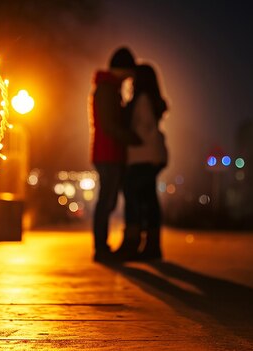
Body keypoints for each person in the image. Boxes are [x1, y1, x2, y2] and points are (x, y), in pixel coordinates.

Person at [89, 47, 141, 262]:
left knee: (107, 201)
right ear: (122, 70)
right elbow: (109, 125)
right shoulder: (107, 90)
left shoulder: (109, 88)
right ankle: (100, 248)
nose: (130, 78)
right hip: (108, 153)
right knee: (106, 201)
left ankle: (102, 247)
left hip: (109, 153)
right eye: (129, 72)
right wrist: (134, 138)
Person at [115, 64, 168, 261]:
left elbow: (145, 130)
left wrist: (129, 137)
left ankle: (132, 241)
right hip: (151, 156)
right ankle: (152, 245)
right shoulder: (150, 100)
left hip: (144, 157)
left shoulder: (142, 99)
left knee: (132, 194)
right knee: (148, 198)